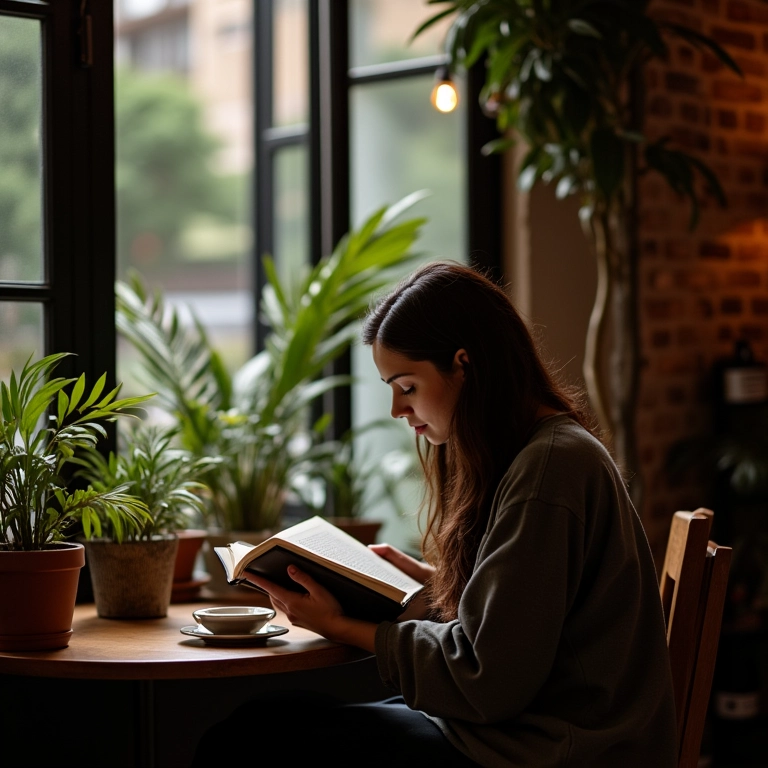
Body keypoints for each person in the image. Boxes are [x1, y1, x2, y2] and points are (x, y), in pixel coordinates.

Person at [191, 261, 677, 767]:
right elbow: (523, 630)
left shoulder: (549, 468)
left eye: (407, 386)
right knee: (270, 717)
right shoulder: (538, 453)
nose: (397, 411)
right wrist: (437, 590)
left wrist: (345, 627)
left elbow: (488, 682)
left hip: (549, 748)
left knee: (245, 743)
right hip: (525, 730)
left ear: (464, 364)